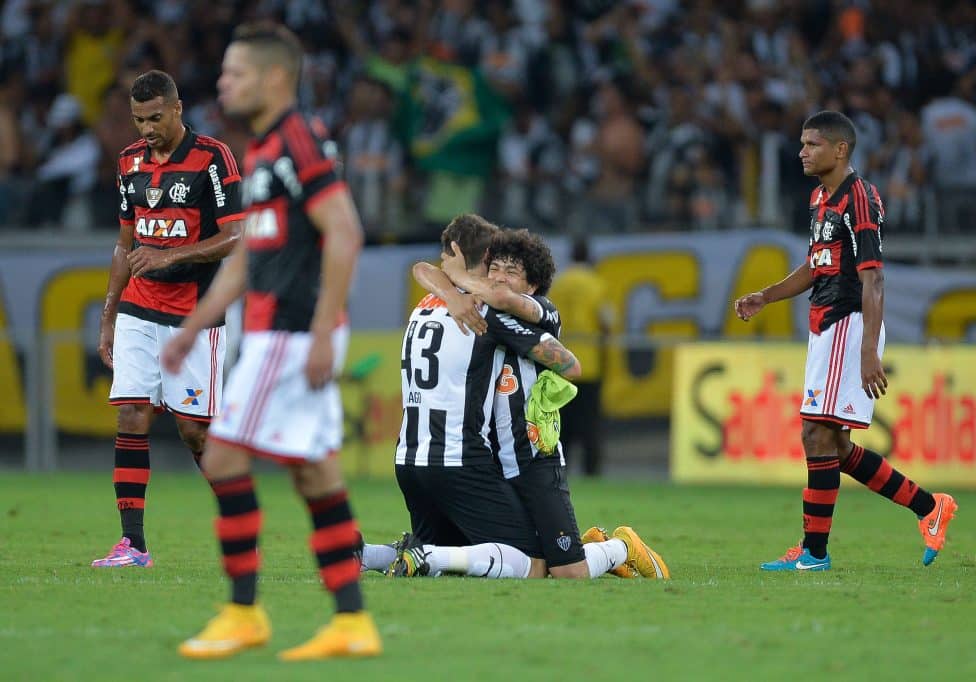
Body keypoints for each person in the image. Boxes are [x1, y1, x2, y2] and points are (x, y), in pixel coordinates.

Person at [161, 22, 380, 660]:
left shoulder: (298, 140)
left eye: (235, 73)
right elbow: (249, 258)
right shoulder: (260, 151)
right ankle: (351, 621)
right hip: (279, 332)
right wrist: (195, 329)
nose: (222, 83)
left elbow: (344, 233)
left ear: (275, 78)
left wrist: (319, 332)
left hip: (288, 335)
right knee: (316, 475)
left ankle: (242, 611)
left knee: (224, 460)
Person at [734, 110, 957, 572]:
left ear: (840, 149)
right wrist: (767, 296)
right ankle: (930, 508)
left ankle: (815, 552)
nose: (801, 151)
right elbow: (817, 265)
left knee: (816, 432)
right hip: (824, 327)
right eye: (801, 143)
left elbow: (873, 279)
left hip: (848, 324)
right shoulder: (819, 198)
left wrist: (868, 349)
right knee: (832, 445)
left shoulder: (860, 197)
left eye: (811, 143)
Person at [383, 226, 666, 580]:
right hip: (493, 458)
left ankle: (621, 546)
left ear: (532, 286)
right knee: (504, 558)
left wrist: (458, 280)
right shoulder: (482, 310)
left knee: (567, 572)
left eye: (511, 272)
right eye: (495, 268)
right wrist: (455, 292)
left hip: (533, 457)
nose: (500, 277)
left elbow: (567, 362)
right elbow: (423, 270)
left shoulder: (538, 309)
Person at [93, 70, 243, 568]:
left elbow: (238, 236)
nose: (147, 129)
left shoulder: (212, 158)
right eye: (139, 120)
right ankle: (132, 544)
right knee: (131, 412)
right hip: (138, 306)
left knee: (194, 430)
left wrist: (168, 257)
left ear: (177, 109)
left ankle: (239, 524)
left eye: (155, 118)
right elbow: (125, 243)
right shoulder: (129, 161)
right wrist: (109, 313)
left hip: (194, 314)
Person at [546, 237, 613, 476]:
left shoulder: (558, 284)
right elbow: (606, 322)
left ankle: (559, 467)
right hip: (589, 363)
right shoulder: (597, 284)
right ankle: (591, 470)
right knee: (590, 423)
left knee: (562, 421)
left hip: (560, 362)